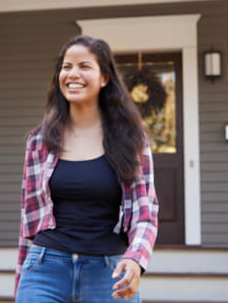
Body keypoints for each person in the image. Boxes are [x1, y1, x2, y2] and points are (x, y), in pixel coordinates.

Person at [14, 35, 159, 303]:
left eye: (84, 66)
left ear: (104, 78)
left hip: (108, 271)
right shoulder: (39, 141)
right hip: (45, 269)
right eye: (66, 67)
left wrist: (136, 259)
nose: (72, 74)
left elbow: (145, 213)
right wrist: (22, 280)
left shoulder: (131, 139)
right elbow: (29, 219)